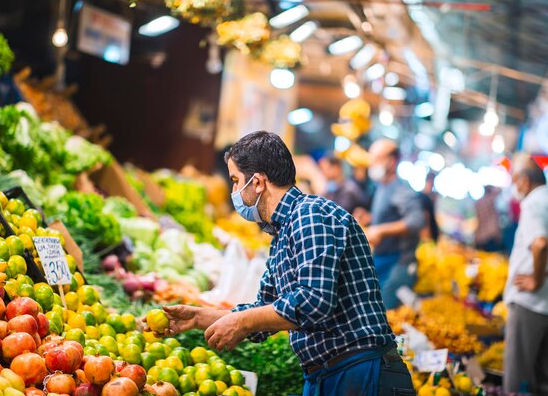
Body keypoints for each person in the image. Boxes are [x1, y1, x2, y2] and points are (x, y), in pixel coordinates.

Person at [146, 131, 414, 396]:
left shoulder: (310, 215)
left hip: (359, 371)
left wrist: (242, 322)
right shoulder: (282, 233)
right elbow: (264, 312)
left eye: (236, 181)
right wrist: (198, 317)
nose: (234, 191)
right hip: (328, 374)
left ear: (258, 183)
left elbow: (313, 302)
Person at [354, 139, 425, 310]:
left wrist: (381, 230)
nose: (372, 163)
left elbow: (417, 221)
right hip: (382, 260)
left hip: (399, 263)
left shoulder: (402, 190)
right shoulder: (381, 187)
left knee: (385, 315)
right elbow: (391, 215)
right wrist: (369, 218)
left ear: (392, 161)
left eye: (377, 158)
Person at [503, 155, 548, 395]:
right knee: (546, 379)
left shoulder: (533, 203)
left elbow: (540, 244)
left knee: (517, 377)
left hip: (530, 301)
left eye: (515, 180)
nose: (515, 187)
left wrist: (536, 278)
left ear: (524, 180)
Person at [474, 185, 503, 252]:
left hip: (479, 235)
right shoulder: (491, 200)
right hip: (490, 235)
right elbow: (499, 190)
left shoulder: (478, 203)